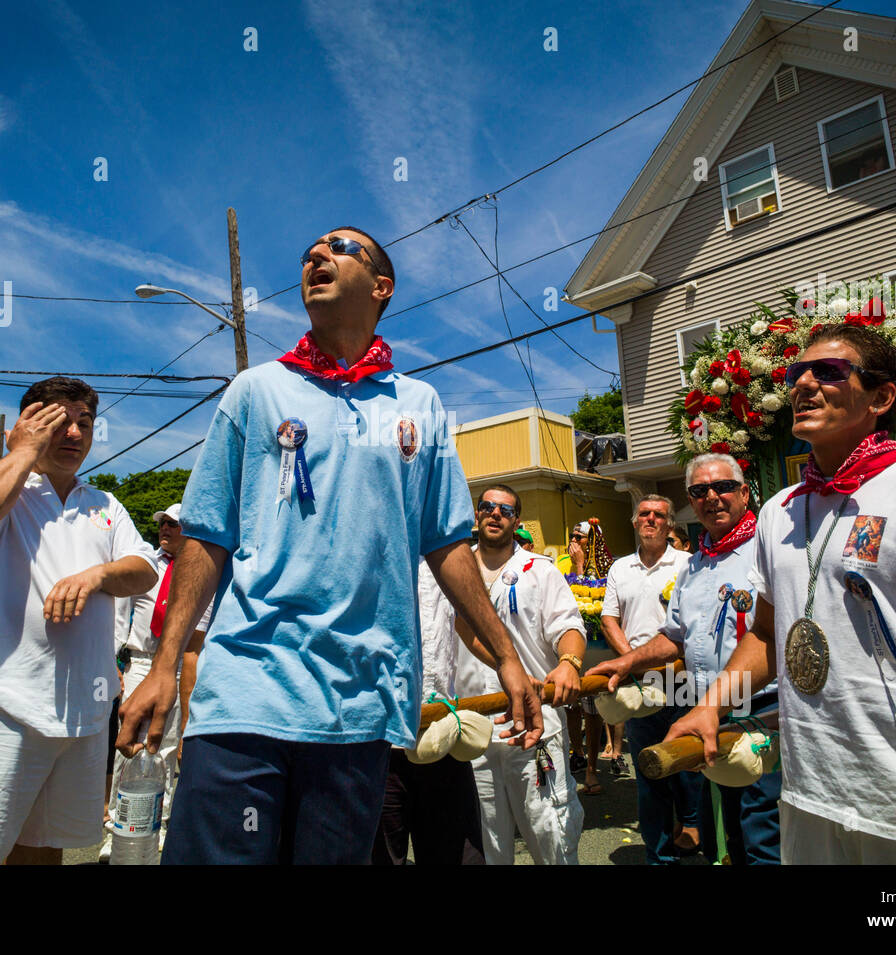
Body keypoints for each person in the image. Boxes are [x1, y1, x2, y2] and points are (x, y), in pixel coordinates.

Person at [118, 226, 542, 865]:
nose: (316, 255)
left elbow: (449, 545)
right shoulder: (256, 390)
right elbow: (206, 536)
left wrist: (507, 657)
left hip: (359, 704)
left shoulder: (420, 405)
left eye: (340, 248)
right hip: (244, 692)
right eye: (309, 252)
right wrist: (164, 664)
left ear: (381, 286)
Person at [667, 325, 896, 864]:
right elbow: (766, 634)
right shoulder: (779, 510)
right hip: (812, 797)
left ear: (881, 398)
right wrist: (711, 705)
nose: (802, 384)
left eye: (828, 372)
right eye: (796, 373)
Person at [0, 377, 158, 865]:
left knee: (46, 848)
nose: (74, 434)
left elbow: (143, 570)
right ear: (25, 426)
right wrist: (24, 450)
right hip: (2, 706)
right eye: (57, 422)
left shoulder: (105, 504)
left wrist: (97, 575)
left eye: (85, 423)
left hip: (83, 713)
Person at [590, 454, 781, 864]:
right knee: (725, 833)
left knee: (763, 834)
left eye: (722, 487)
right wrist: (629, 662)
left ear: (744, 492)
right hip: (708, 709)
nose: (711, 497)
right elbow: (673, 638)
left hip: (761, 708)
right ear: (691, 502)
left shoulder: (768, 550)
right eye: (699, 491)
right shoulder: (694, 566)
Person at [453, 485, 585, 864]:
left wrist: (569, 662)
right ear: (477, 515)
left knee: (551, 836)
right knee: (487, 845)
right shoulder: (452, 571)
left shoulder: (539, 570)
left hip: (532, 726)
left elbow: (568, 626)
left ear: (517, 521)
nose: (495, 514)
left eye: (505, 510)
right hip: (473, 732)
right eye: (487, 507)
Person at [102, 501, 208, 859]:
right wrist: (114, 660)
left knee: (164, 745)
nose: (165, 529)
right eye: (163, 523)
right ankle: (118, 822)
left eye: (173, 524)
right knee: (128, 740)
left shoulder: (201, 570)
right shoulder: (147, 563)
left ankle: (155, 822)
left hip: (178, 665)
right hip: (142, 661)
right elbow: (121, 612)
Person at [600, 494, 697, 864]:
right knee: (648, 769)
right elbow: (609, 619)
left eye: (658, 514)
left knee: (688, 767)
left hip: (681, 678)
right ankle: (658, 855)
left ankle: (693, 833)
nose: (651, 519)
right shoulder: (620, 568)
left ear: (669, 523)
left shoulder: (688, 564)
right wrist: (631, 660)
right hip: (640, 683)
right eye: (644, 514)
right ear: (635, 521)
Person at [372, 558, 487, 865]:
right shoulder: (371, 546)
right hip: (381, 745)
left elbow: (468, 628)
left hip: (442, 737)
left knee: (458, 857)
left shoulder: (450, 556)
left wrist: (511, 665)